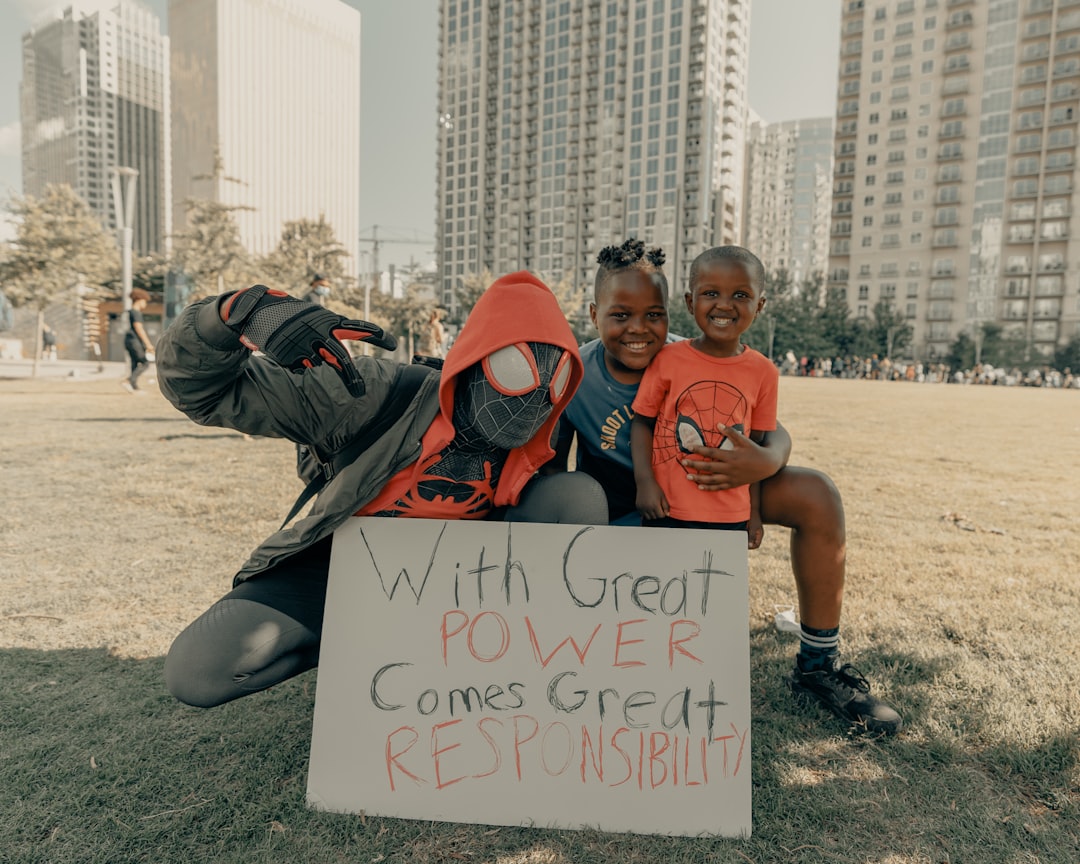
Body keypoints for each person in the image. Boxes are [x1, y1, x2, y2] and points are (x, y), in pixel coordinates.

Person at [156, 271, 607, 709]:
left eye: (555, 381)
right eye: (514, 370)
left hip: (463, 579)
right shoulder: (370, 391)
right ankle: (363, 649)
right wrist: (233, 314)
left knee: (576, 495)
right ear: (475, 359)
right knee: (197, 671)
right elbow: (202, 392)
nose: (531, 399)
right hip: (348, 561)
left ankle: (500, 664)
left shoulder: (541, 433)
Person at [551, 239, 902, 736]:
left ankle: (818, 666)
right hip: (624, 511)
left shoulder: (694, 357)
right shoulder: (575, 372)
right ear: (594, 314)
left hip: (708, 493)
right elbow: (548, 470)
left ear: (673, 312)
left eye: (652, 315)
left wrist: (765, 460)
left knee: (816, 494)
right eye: (620, 315)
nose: (637, 329)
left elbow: (768, 427)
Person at [630, 245, 777, 553]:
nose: (724, 305)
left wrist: (754, 511)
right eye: (710, 293)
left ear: (759, 305)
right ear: (689, 301)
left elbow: (756, 451)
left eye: (740, 295)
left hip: (731, 515)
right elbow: (642, 423)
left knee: (716, 595)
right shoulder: (667, 359)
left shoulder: (765, 372)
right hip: (666, 510)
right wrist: (645, 483)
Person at [122, 288, 155, 393]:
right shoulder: (136, 313)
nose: (145, 304)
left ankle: (134, 387)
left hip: (129, 340)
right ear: (139, 300)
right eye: (145, 301)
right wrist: (148, 345)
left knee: (135, 363)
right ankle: (128, 381)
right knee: (145, 363)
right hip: (134, 340)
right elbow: (139, 328)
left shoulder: (130, 312)